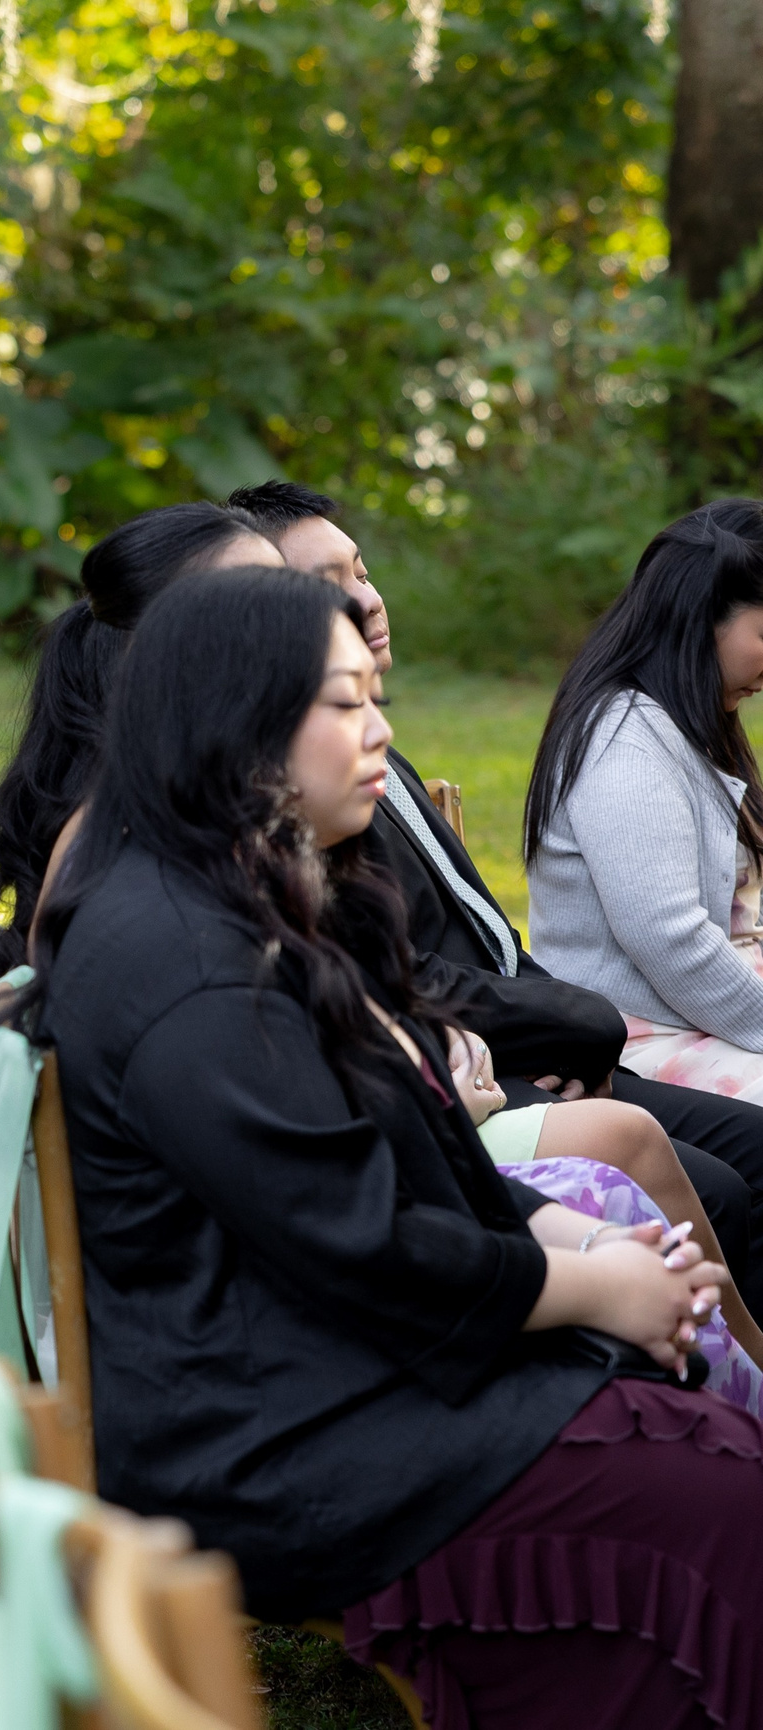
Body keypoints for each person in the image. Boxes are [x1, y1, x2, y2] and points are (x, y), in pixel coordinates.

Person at [32, 565, 763, 1728]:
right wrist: (596, 1284)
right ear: (236, 719)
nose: (378, 728)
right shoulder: (189, 966)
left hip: (332, 1365)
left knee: (704, 1443)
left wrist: (582, 1240)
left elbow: (407, 1165)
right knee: (715, 1494)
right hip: (276, 1439)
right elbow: (361, 1243)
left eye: (373, 696)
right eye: (341, 702)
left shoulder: (243, 897)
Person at [231, 480, 763, 1322]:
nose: (369, 598)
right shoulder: (299, 794)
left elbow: (482, 946)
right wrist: (557, 1027)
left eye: (362, 571)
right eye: (330, 584)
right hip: (493, 1063)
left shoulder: (378, 759)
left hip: (531, 1045)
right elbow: (388, 971)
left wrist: (552, 1027)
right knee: (724, 1184)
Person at [527, 500, 763, 1110]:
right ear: (701, 618)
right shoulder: (624, 737)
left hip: (707, 1019)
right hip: (639, 1043)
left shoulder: (688, 723)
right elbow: (670, 939)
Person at [0, 499, 282, 952]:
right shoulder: (123, 835)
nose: (298, 620)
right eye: (256, 605)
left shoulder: (243, 782)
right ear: (157, 646)